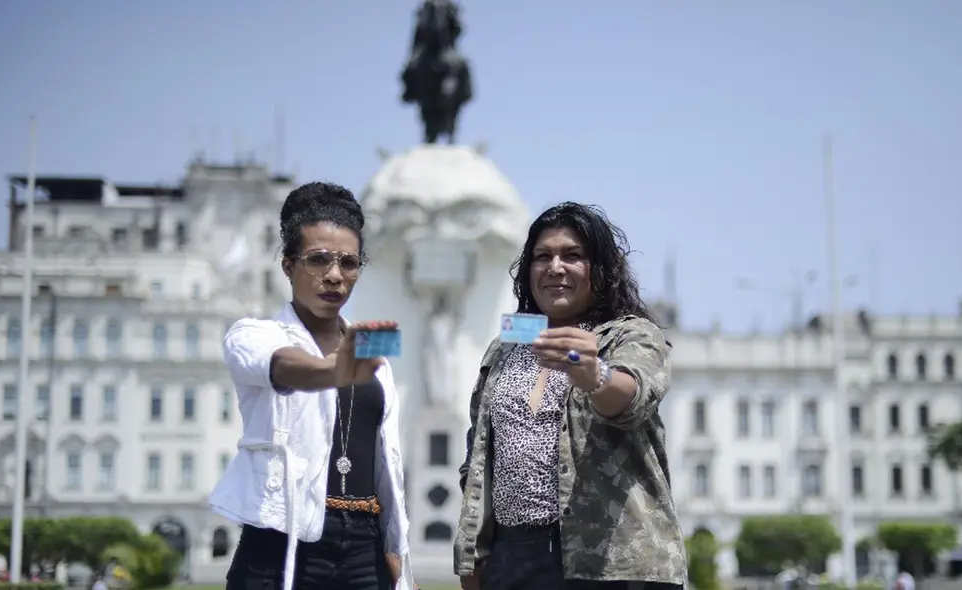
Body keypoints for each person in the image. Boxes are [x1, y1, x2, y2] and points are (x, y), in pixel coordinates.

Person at [453, 202, 686, 590]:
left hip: (609, 561)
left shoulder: (630, 335)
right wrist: (475, 555)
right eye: (542, 256)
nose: (555, 267)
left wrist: (594, 374)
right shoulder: (505, 347)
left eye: (573, 256)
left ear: (601, 270)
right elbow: (477, 462)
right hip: (513, 559)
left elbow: (631, 398)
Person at [209, 181, 414, 590]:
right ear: (288, 265)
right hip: (282, 541)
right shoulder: (253, 334)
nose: (335, 276)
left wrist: (396, 552)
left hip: (363, 544)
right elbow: (282, 366)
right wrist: (331, 373)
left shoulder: (372, 351)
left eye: (349, 263)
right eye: (318, 260)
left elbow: (385, 461)